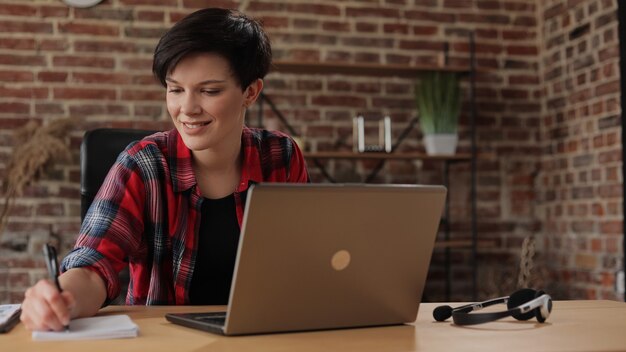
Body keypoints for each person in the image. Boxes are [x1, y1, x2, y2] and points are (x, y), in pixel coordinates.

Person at [20, 8, 309, 331]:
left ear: (251, 92)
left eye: (209, 91)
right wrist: (60, 299)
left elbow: (301, 262)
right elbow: (93, 264)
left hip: (263, 334)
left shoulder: (280, 156)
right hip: (166, 341)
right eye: (175, 89)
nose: (187, 108)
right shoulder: (142, 164)